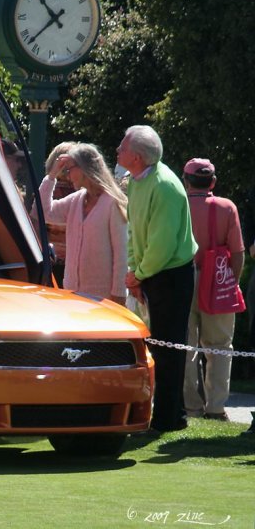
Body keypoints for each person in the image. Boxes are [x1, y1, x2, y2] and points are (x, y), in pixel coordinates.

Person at [118, 125, 198, 433]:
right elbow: (134, 233)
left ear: (137, 157)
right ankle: (167, 413)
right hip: (150, 272)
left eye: (123, 146)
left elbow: (161, 245)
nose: (118, 150)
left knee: (168, 348)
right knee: (156, 346)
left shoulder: (164, 186)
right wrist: (135, 273)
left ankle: (168, 418)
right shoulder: (136, 181)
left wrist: (137, 275)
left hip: (171, 273)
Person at [181, 158, 244, 422]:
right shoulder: (227, 207)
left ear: (186, 181)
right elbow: (238, 252)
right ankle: (216, 408)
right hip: (218, 278)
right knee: (219, 346)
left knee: (184, 345)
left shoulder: (178, 204)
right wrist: (233, 282)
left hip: (182, 279)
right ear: (213, 182)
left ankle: (191, 407)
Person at [39, 143, 127, 304]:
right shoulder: (76, 200)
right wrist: (51, 176)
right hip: (72, 294)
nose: (67, 176)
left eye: (69, 170)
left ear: (83, 168)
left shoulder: (112, 203)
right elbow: (44, 212)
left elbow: (121, 254)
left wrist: (119, 295)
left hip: (103, 298)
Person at [41, 142, 78, 287]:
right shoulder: (81, 195)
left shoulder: (45, 189)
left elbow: (36, 220)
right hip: (70, 265)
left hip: (49, 261)